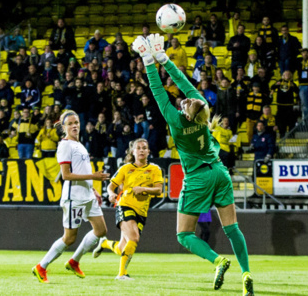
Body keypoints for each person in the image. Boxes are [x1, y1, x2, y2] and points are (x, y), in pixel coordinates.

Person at [133, 34, 254, 295]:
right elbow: (184, 84)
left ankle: (218, 260)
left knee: (184, 235)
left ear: (187, 112)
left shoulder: (177, 122)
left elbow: (156, 89)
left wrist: (147, 59)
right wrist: (163, 58)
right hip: (220, 171)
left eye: (186, 102)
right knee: (232, 228)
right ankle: (246, 274)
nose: (185, 100)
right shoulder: (202, 111)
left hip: (198, 177)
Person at [32, 110, 110, 284]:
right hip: (74, 197)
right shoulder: (65, 145)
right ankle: (41, 267)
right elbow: (66, 175)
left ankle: (74, 261)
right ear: (64, 127)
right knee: (69, 238)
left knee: (101, 230)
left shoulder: (79, 144)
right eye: (70, 124)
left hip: (87, 194)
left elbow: (82, 170)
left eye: (76, 122)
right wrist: (93, 177)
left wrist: (93, 189)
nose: (75, 126)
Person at [92, 138, 163, 279]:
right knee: (134, 237)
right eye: (139, 148)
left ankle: (105, 243)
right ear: (133, 151)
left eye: (144, 148)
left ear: (148, 151)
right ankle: (122, 274)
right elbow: (110, 186)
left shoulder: (155, 169)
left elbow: (159, 190)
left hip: (141, 211)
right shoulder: (125, 168)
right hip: (124, 205)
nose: (141, 150)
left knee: (122, 248)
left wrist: (142, 189)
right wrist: (111, 194)